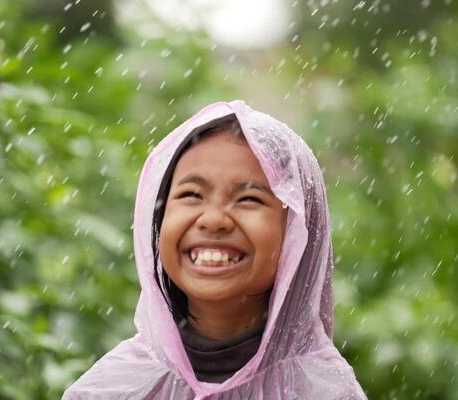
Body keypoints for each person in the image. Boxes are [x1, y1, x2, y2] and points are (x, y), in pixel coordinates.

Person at [62, 100, 367, 399]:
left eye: (249, 199)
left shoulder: (327, 393)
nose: (214, 220)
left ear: (299, 233)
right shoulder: (112, 390)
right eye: (192, 194)